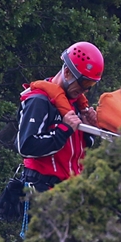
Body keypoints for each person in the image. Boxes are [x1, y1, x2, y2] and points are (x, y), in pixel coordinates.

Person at [16, 41, 104, 192]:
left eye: (91, 84)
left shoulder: (76, 104)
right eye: (84, 82)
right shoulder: (39, 101)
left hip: (70, 194)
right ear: (67, 72)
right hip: (41, 190)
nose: (85, 90)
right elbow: (25, 146)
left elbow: (76, 152)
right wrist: (63, 130)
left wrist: (89, 129)